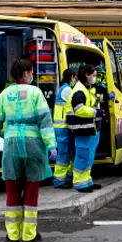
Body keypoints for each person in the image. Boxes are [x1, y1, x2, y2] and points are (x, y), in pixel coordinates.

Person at [0, 59, 57, 242]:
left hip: (11, 146)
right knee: (31, 192)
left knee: (12, 192)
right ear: (26, 74)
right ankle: (28, 236)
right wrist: (51, 146)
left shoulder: (4, 94)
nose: (32, 75)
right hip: (34, 146)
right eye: (31, 72)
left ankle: (13, 235)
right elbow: (45, 120)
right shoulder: (35, 93)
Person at [67, 64, 103, 193]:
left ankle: (87, 180)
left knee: (88, 155)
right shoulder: (79, 90)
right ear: (86, 75)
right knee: (82, 155)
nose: (95, 77)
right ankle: (79, 183)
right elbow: (79, 109)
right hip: (82, 128)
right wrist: (95, 112)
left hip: (88, 128)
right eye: (93, 75)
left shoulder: (87, 89)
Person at [53, 69, 76, 189]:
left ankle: (66, 177)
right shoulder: (67, 90)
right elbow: (75, 105)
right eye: (74, 77)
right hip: (63, 127)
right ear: (71, 77)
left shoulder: (63, 88)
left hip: (63, 127)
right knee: (63, 154)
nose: (75, 80)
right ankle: (59, 180)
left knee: (67, 154)